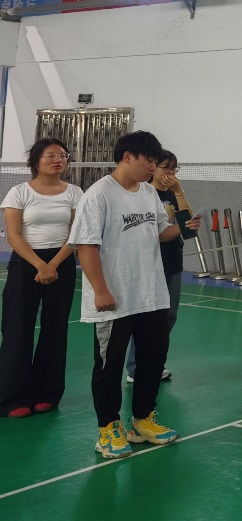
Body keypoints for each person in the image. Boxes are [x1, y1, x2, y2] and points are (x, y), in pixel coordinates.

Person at [69, 131, 200, 458]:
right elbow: (86, 246)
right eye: (149, 161)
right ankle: (108, 429)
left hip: (151, 295)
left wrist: (184, 227)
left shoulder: (148, 192)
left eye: (156, 162)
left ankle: (142, 420)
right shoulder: (98, 195)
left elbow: (161, 232)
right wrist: (101, 290)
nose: (153, 168)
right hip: (115, 299)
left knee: (152, 360)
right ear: (128, 156)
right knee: (109, 367)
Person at [0, 139, 82, 418]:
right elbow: (14, 236)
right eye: (51, 155)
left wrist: (54, 264)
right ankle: (13, 397)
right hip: (26, 263)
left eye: (62, 155)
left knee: (55, 329)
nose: (58, 160)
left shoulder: (75, 193)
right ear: (36, 160)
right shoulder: (19, 192)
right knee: (17, 328)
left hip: (62, 262)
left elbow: (76, 233)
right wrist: (39, 265)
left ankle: (47, 393)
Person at [124, 150, 190, 383]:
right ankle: (136, 368)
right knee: (146, 316)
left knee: (169, 316)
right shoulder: (144, 193)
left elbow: (188, 226)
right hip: (150, 261)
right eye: (166, 168)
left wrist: (179, 191)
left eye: (174, 168)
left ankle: (155, 363)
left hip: (173, 260)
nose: (170, 173)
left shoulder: (172, 193)